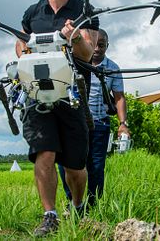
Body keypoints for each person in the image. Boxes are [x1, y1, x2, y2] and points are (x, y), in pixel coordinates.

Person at [15, 0, 99, 237]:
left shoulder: (84, 11)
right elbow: (19, 43)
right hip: (38, 95)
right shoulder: (33, 12)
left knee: (75, 166)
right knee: (44, 153)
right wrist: (24, 53)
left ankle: (77, 206)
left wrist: (75, 37)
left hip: (72, 96)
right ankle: (49, 215)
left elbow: (90, 54)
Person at [57, 29, 128, 208]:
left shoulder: (112, 68)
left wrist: (122, 124)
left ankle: (93, 204)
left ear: (107, 46)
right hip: (72, 123)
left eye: (101, 45)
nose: (97, 48)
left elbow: (119, 97)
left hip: (99, 124)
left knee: (96, 167)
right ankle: (73, 202)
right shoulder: (72, 62)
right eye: (94, 44)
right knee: (67, 164)